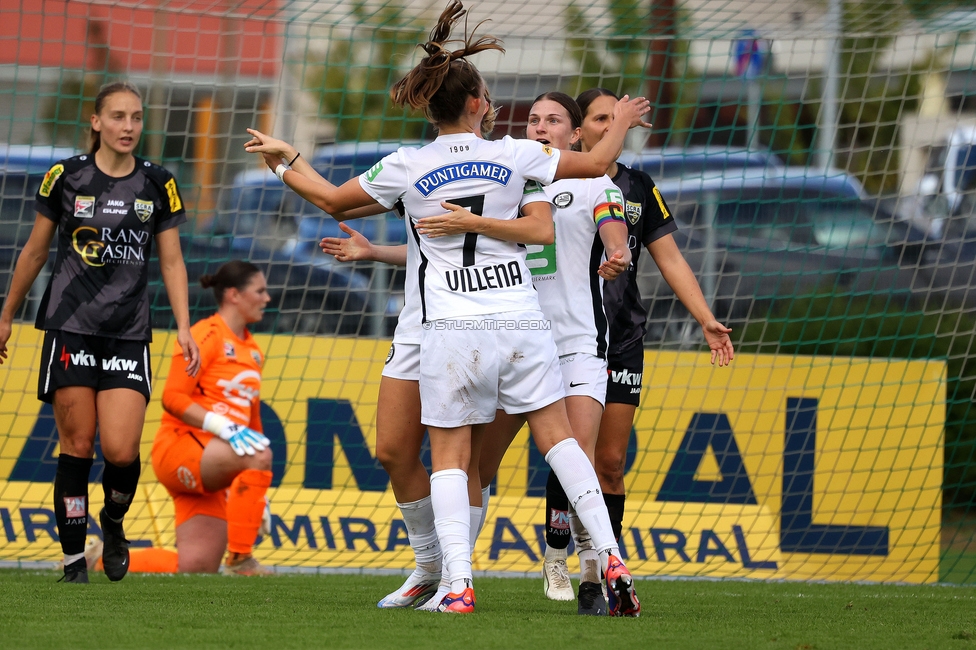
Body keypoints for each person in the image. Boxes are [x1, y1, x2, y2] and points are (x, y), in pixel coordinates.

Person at [244, 0, 650, 615]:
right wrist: (618, 120)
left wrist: (287, 160)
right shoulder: (518, 154)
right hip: (517, 320)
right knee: (553, 443)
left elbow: (330, 200)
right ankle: (603, 556)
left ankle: (456, 583)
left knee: (451, 456)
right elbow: (595, 164)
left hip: (451, 325)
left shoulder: (407, 165)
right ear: (476, 104)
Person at [535, 87, 735, 600]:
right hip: (559, 334)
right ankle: (558, 555)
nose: (611, 125)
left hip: (622, 336)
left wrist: (707, 319)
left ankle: (603, 567)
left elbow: (670, 260)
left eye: (616, 117)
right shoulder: (549, 179)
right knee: (569, 449)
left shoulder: (638, 187)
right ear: (581, 130)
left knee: (609, 461)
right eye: (601, 118)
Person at [0, 81, 201, 584]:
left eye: (135, 117)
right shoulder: (65, 176)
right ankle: (72, 561)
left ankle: (112, 523)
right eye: (117, 117)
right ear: (96, 122)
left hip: (128, 333)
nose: (128, 126)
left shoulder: (158, 183)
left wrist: (182, 327)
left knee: (120, 451)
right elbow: (34, 252)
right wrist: (6, 315)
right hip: (70, 328)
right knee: (77, 445)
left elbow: (172, 261)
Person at [150, 261, 274, 574]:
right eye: (259, 290)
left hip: (213, 459)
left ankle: (99, 559)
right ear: (234, 295)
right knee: (259, 454)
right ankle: (241, 558)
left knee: (196, 568)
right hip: (179, 450)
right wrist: (225, 428)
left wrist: (257, 493)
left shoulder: (254, 350)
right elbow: (172, 398)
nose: (267, 298)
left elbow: (252, 425)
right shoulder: (204, 335)